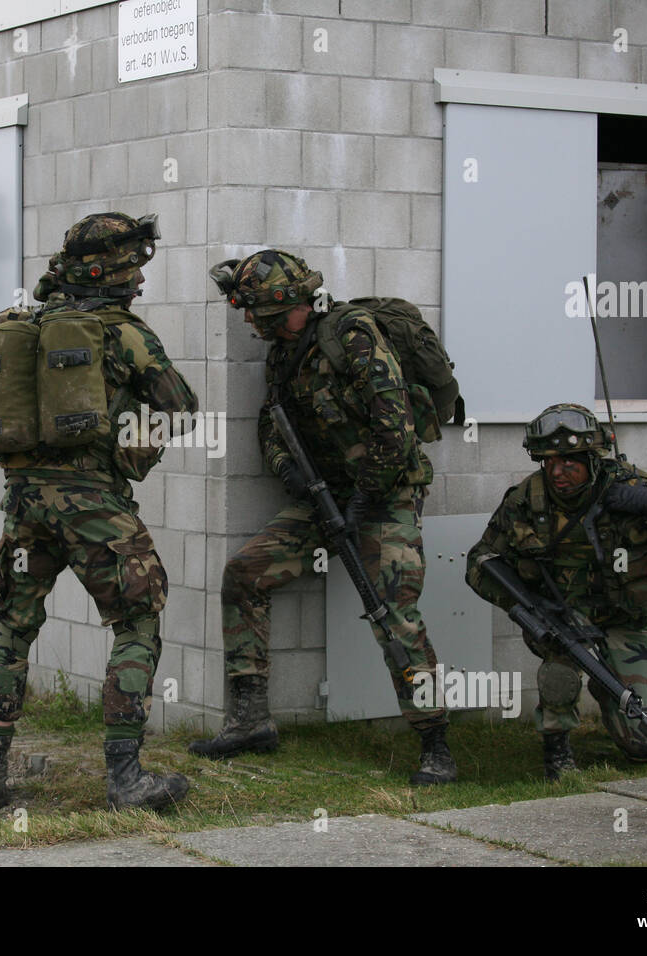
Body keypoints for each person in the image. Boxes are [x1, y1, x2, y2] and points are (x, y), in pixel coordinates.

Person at [192, 249, 458, 786]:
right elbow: (273, 426)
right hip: (324, 498)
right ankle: (249, 722)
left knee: (394, 613)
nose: (249, 322)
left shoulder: (352, 334)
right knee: (243, 575)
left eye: (255, 310)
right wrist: (290, 473)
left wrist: (364, 497)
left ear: (286, 303)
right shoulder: (284, 353)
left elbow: (396, 427)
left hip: (385, 496)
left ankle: (435, 743)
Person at [0, 212, 200, 812]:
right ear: (117, 274)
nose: (140, 281)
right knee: (138, 618)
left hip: (23, 505)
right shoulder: (123, 333)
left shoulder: (27, 326)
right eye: (134, 270)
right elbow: (179, 404)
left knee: (13, 626)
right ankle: (125, 776)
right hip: (95, 506)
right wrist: (132, 452)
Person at [464, 403, 647, 779]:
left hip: (624, 621)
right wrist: (530, 607)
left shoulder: (631, 489)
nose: (558, 472)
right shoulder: (525, 501)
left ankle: (611, 687)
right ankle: (557, 749)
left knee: (644, 743)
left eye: (569, 463)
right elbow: (479, 563)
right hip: (565, 617)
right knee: (559, 669)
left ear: (592, 459)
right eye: (549, 463)